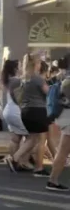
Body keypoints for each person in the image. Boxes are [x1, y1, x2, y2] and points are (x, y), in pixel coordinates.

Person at [18, 53, 51, 177]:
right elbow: (48, 92)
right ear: (35, 64)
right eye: (38, 63)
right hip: (38, 110)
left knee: (32, 138)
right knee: (42, 140)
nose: (40, 65)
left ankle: (15, 158)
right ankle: (39, 167)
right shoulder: (37, 78)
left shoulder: (23, 79)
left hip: (26, 111)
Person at [47, 55, 70, 191]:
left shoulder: (62, 76)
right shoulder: (67, 79)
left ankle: (52, 180)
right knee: (63, 150)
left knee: (63, 150)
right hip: (68, 118)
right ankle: (52, 180)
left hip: (64, 117)